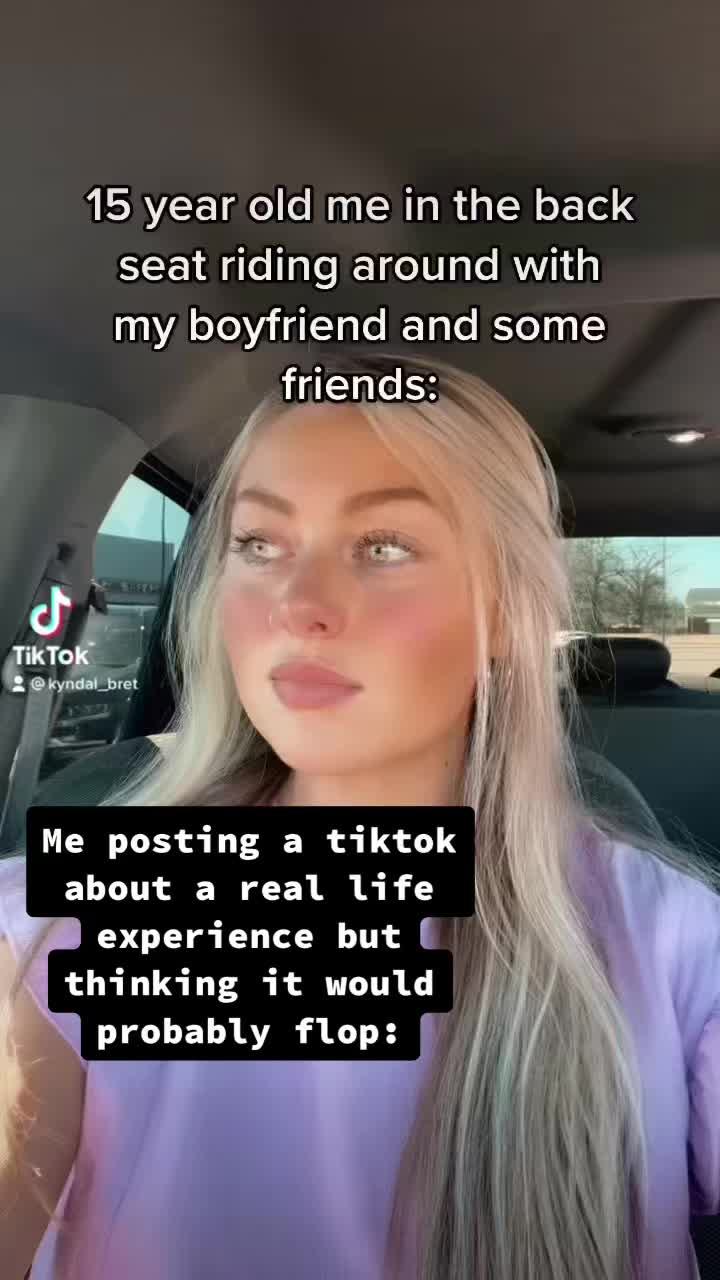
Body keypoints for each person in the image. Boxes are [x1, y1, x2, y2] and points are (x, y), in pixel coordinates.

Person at [0, 354, 718, 1280]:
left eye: (384, 547)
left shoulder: (671, 946)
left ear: (507, 610)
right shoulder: (71, 914)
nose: (298, 605)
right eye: (259, 544)